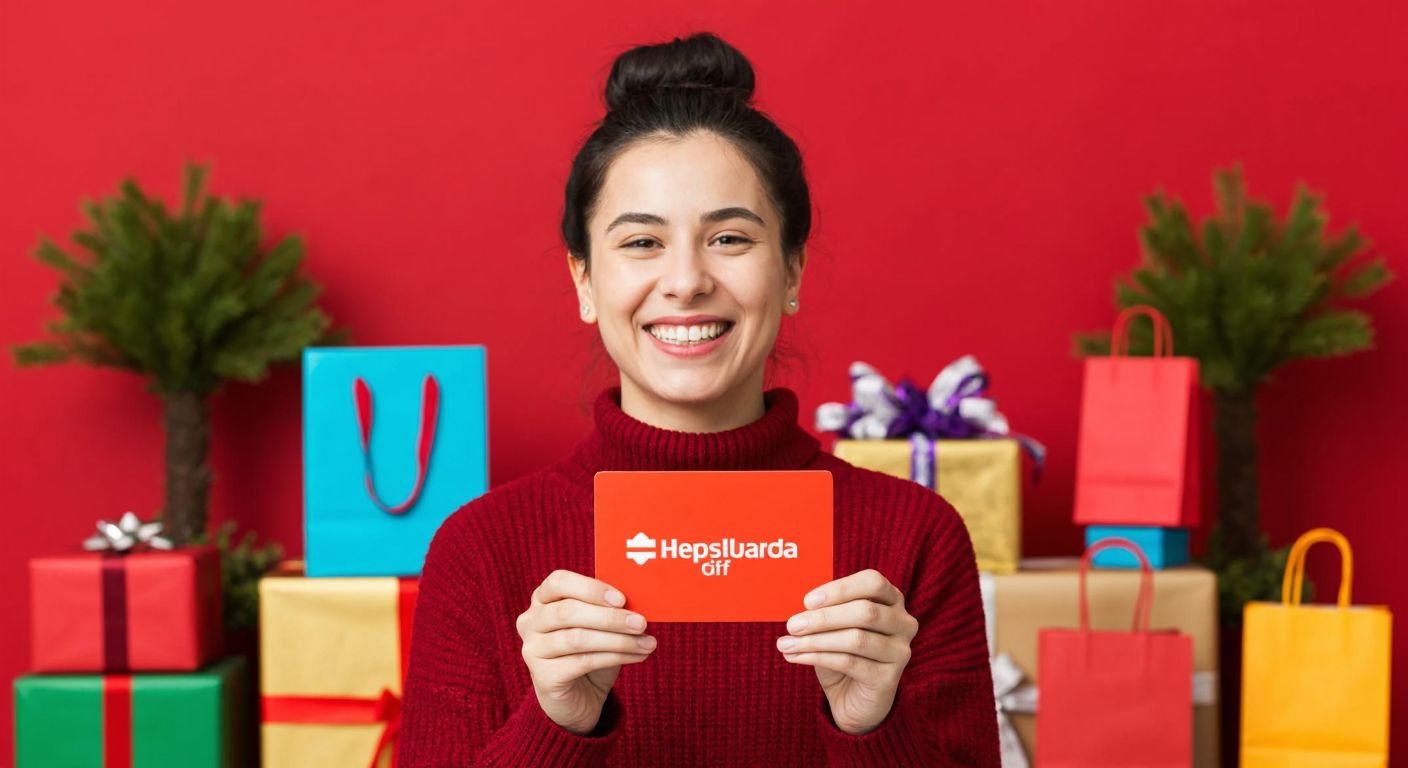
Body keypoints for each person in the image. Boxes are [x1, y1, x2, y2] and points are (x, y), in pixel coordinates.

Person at [397, 31, 999, 766]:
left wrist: (872, 729)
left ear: (793, 271)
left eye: (730, 238)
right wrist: (557, 725)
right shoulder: (480, 553)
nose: (685, 281)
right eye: (642, 243)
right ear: (585, 281)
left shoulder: (913, 541)